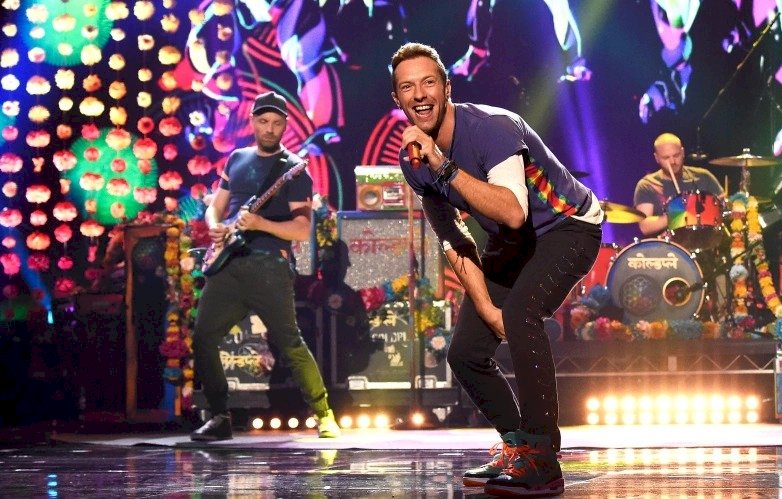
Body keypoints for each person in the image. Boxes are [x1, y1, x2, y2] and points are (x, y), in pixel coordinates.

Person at [391, 42, 603, 496]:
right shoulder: (414, 162)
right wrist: (486, 307)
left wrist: (443, 165)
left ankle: (542, 458)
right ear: (398, 99)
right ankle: (517, 447)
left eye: (428, 82)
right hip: (513, 244)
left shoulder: (492, 128)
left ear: (447, 87)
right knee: (465, 353)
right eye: (408, 87)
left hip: (568, 227)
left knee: (523, 315)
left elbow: (512, 212)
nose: (420, 94)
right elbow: (453, 237)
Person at [189, 91, 340, 441]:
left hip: (269, 267)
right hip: (228, 264)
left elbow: (301, 229)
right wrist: (215, 225)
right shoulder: (237, 159)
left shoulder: (293, 169)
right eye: (263, 121)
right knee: (203, 337)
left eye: (276, 123)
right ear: (253, 122)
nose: (270, 129)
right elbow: (217, 206)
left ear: (285, 125)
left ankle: (324, 414)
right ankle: (220, 416)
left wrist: (261, 224)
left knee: (289, 342)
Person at [633, 133, 724, 239]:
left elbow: (723, 205)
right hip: (668, 247)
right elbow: (645, 226)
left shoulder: (703, 176)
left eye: (676, 155)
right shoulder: (647, 185)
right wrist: (679, 215)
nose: (672, 161)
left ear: (683, 152)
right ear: (656, 158)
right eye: (666, 157)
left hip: (705, 240)